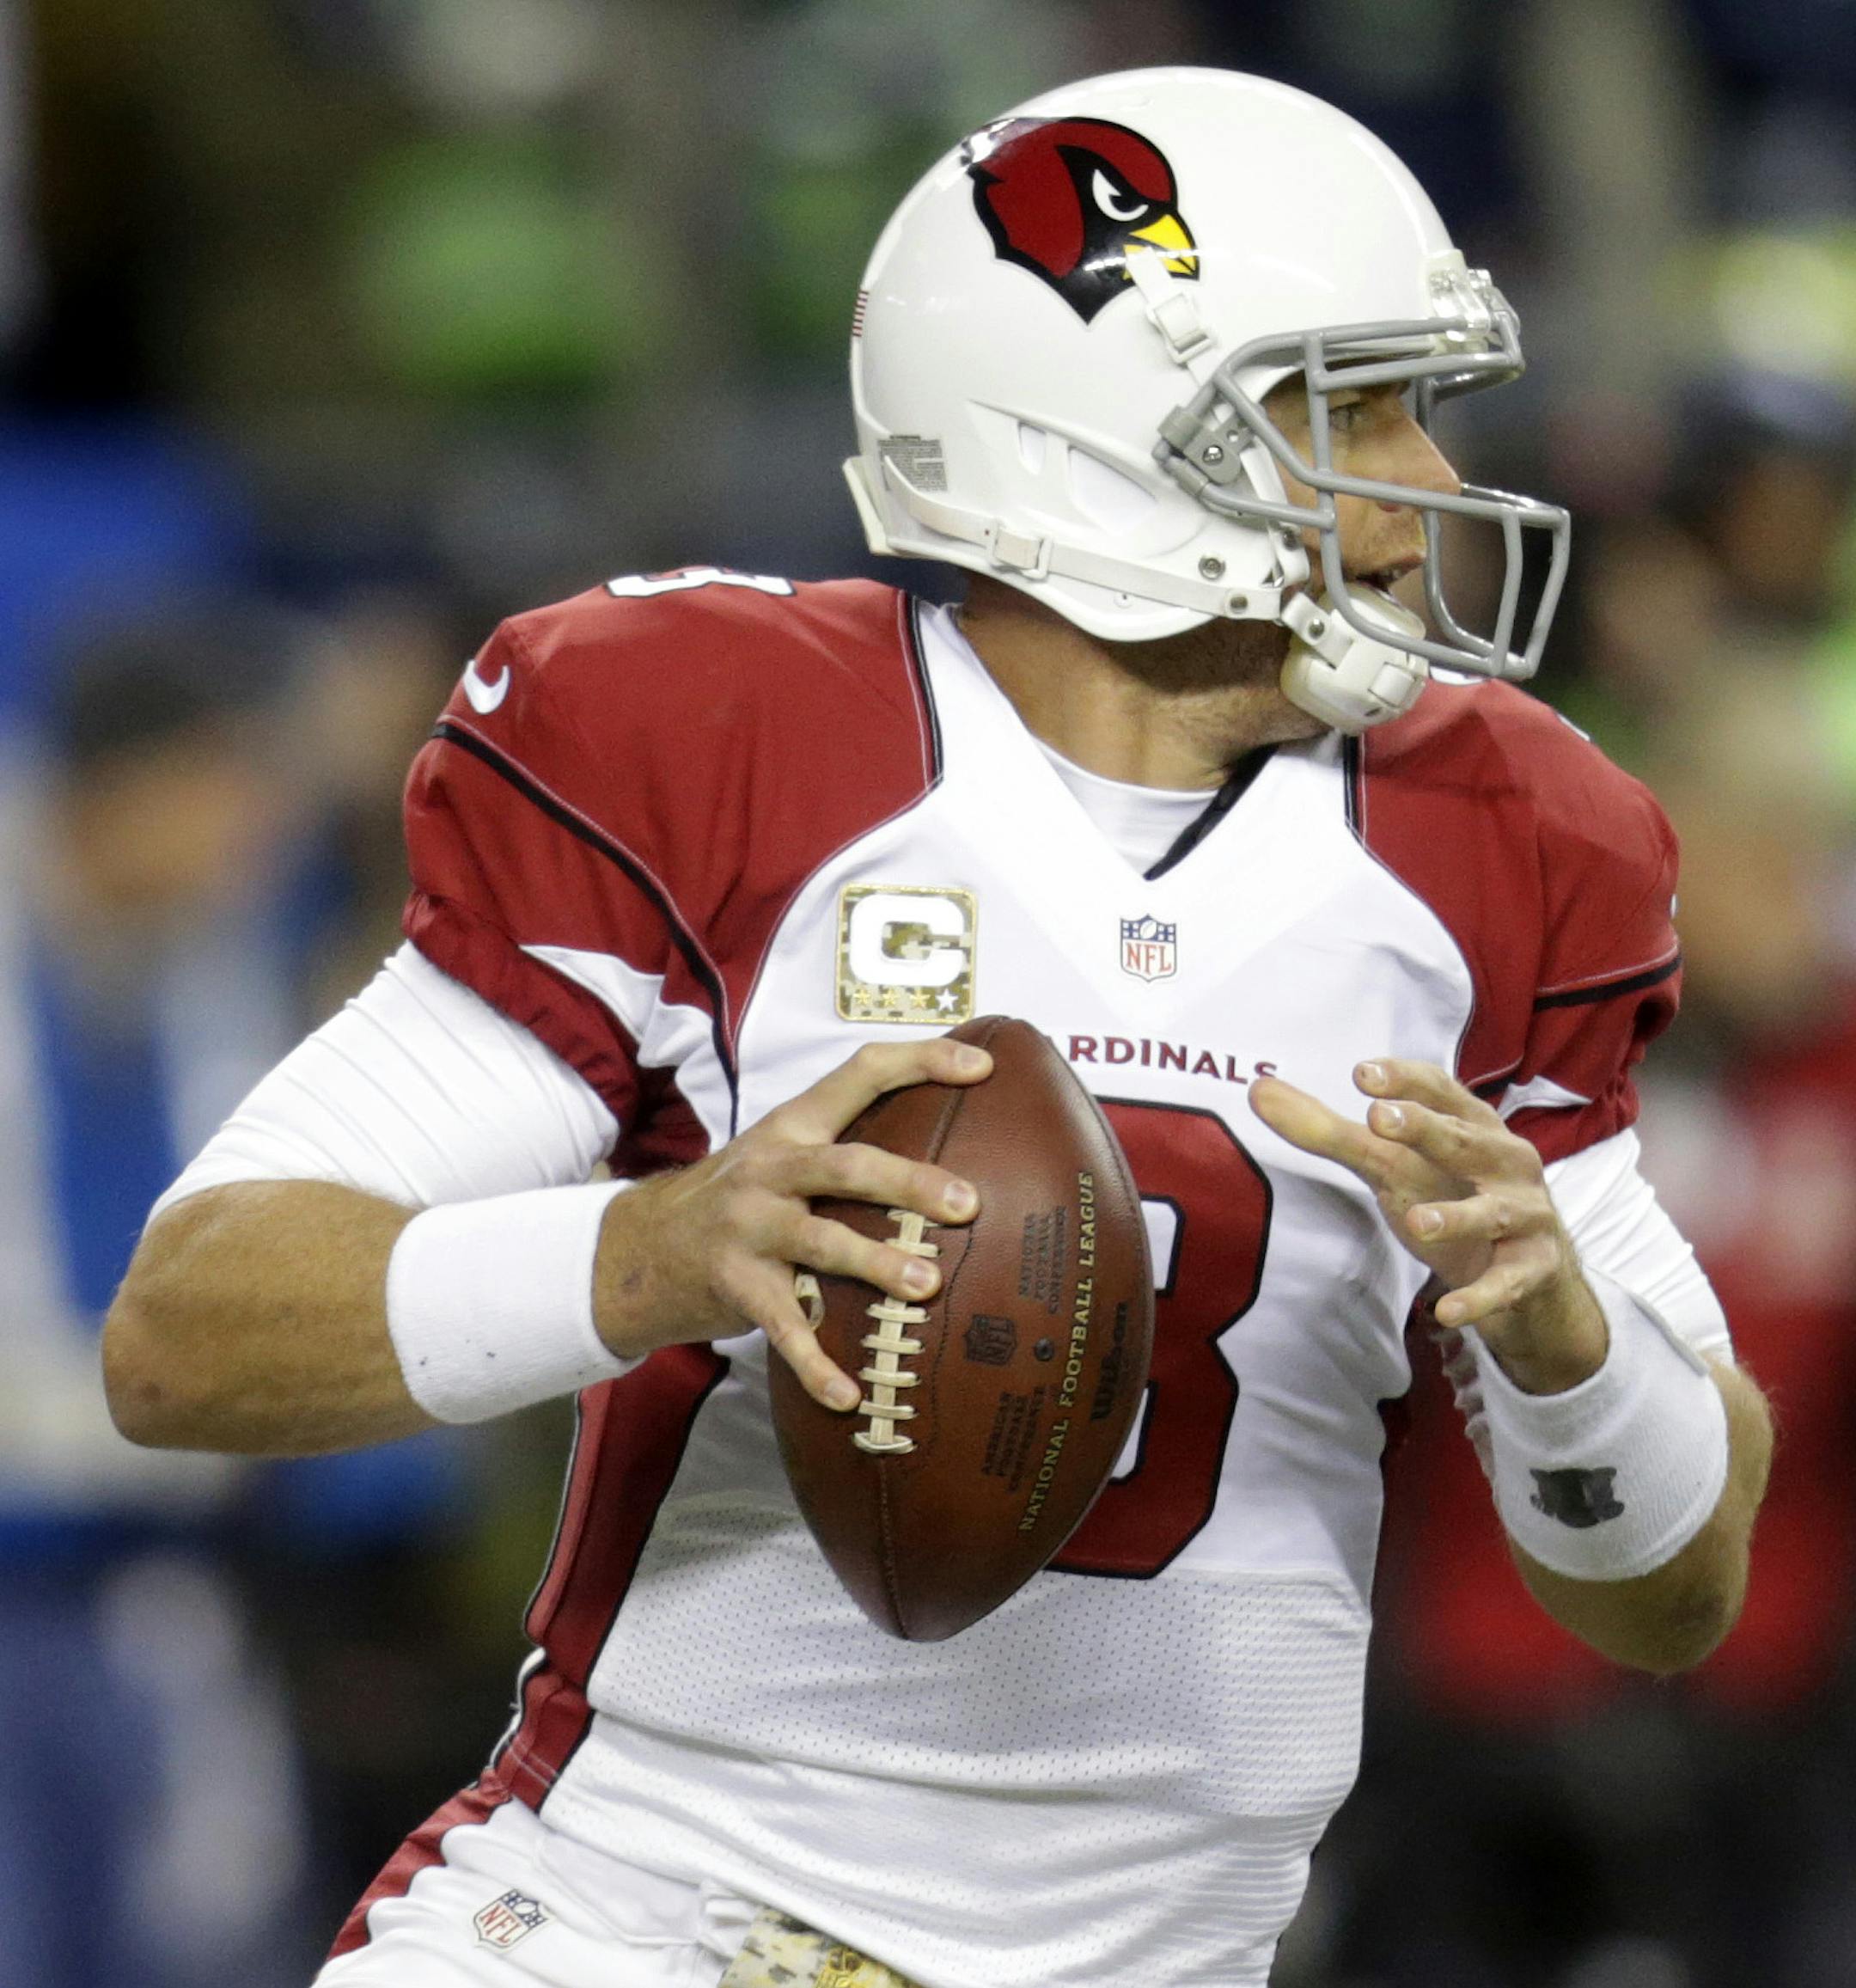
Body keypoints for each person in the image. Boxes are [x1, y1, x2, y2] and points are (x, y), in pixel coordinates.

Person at [102, 68, 1773, 1988]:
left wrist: (1568, 1346)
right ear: (1107, 441)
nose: (1430, 488)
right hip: (639, 1931)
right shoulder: (732, 754)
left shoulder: (1504, 836)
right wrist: (650, 1250)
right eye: (1349, 408)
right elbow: (185, 1335)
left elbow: (1675, 1591)